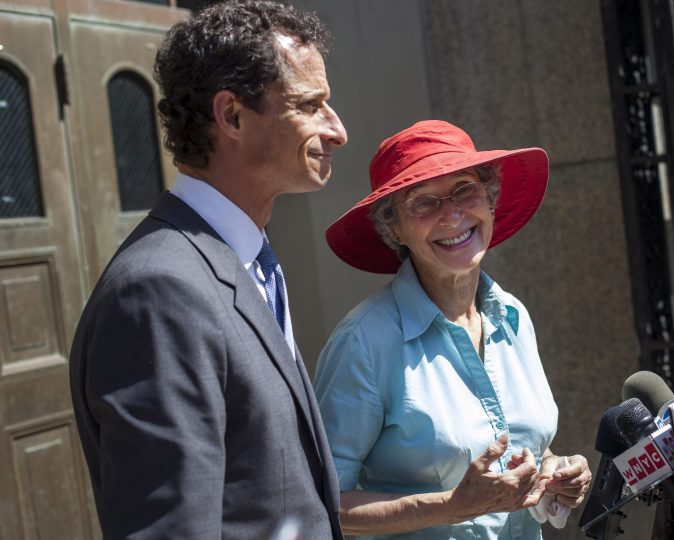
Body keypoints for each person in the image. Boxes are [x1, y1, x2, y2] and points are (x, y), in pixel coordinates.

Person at [68, 1, 347, 538]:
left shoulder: (242, 259)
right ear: (232, 115)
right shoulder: (159, 292)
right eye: (310, 105)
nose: (336, 129)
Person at [314, 120, 591, 539]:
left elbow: (521, 446)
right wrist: (451, 507)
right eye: (423, 202)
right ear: (395, 230)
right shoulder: (363, 343)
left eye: (465, 190)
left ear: (490, 199)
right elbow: (322, 503)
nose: (452, 214)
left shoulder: (512, 316)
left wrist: (554, 469)